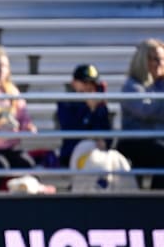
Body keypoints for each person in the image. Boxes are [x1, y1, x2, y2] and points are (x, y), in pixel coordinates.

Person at [0, 45, 56, 193]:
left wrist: (27, 126)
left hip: (10, 147)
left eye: (5, 66)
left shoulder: (12, 91)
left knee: (28, 165)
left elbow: (23, 117)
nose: (2, 71)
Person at [116, 38, 164, 189]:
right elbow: (145, 111)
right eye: (155, 59)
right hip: (135, 141)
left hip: (156, 141)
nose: (160, 63)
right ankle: (157, 200)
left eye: (163, 59)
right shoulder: (132, 85)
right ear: (143, 61)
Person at [56, 64, 112, 167]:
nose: (89, 86)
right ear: (74, 83)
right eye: (85, 82)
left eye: (92, 83)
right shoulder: (65, 103)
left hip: (97, 155)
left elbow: (106, 134)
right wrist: (89, 110)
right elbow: (72, 130)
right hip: (72, 154)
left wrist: (96, 110)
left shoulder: (100, 105)